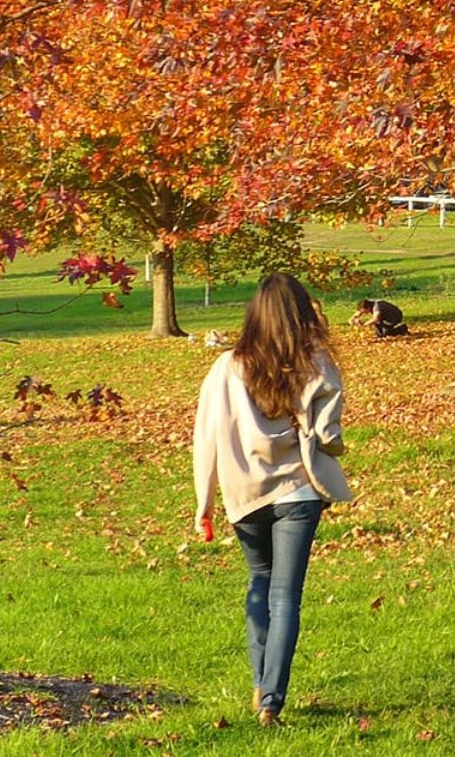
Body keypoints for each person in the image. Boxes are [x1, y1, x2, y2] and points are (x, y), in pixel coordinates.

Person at [193, 273, 352, 727]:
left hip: (245, 492)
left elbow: (205, 438)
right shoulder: (316, 361)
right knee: (285, 596)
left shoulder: (227, 366)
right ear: (303, 313)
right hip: (299, 491)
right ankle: (271, 702)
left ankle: (260, 685)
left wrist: (203, 504)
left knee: (259, 582)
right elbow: (327, 434)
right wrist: (333, 445)